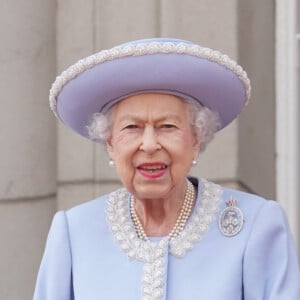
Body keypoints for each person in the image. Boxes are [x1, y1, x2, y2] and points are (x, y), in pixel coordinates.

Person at [34, 38, 300, 300]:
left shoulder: (255, 225)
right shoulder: (74, 231)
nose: (149, 144)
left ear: (196, 139)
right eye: (132, 127)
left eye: (167, 126)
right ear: (110, 144)